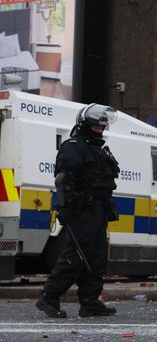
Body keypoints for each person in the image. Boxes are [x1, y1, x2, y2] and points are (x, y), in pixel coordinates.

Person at [35, 104, 120, 319]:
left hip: (97, 212)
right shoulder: (74, 146)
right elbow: (64, 179)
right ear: (84, 125)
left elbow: (101, 182)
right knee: (76, 257)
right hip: (81, 211)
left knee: (97, 258)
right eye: (95, 127)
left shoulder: (98, 149)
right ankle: (49, 297)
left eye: (102, 127)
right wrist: (66, 208)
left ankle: (90, 302)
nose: (99, 131)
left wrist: (107, 207)